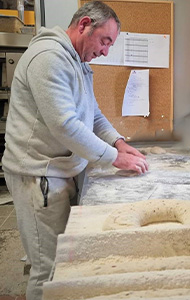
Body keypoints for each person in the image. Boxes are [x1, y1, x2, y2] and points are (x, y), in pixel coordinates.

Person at [2, 1, 148, 299]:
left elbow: (92, 115)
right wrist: (113, 158)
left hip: (57, 171)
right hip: (38, 175)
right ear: (84, 25)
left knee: (58, 260)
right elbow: (64, 124)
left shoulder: (78, 62)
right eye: (105, 41)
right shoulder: (49, 58)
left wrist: (118, 142)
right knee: (48, 269)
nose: (106, 51)